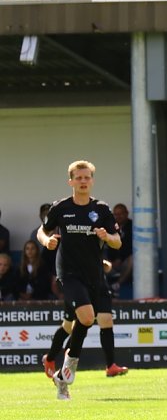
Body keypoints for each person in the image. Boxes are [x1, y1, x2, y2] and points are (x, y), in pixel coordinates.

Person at [38, 160, 123, 400]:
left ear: (92, 181)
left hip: (94, 275)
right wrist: (47, 241)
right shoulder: (61, 207)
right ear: (71, 182)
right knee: (86, 317)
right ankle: (66, 367)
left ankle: (64, 375)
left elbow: (118, 241)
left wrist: (108, 237)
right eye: (78, 178)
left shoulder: (102, 210)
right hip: (69, 273)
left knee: (83, 323)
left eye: (87, 177)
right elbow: (41, 230)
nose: (83, 181)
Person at [42, 260, 129, 381]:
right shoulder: (69, 244)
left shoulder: (97, 241)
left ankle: (110, 365)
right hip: (77, 284)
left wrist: (101, 262)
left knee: (106, 320)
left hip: (98, 283)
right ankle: (51, 359)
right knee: (69, 326)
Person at [105, 202, 133, 291]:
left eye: (121, 214)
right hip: (111, 264)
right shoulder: (111, 227)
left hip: (125, 263)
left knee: (133, 259)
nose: (118, 216)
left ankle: (117, 285)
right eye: (116, 214)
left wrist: (120, 259)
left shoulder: (132, 226)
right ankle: (102, 288)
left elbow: (131, 247)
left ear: (127, 213)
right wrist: (110, 260)